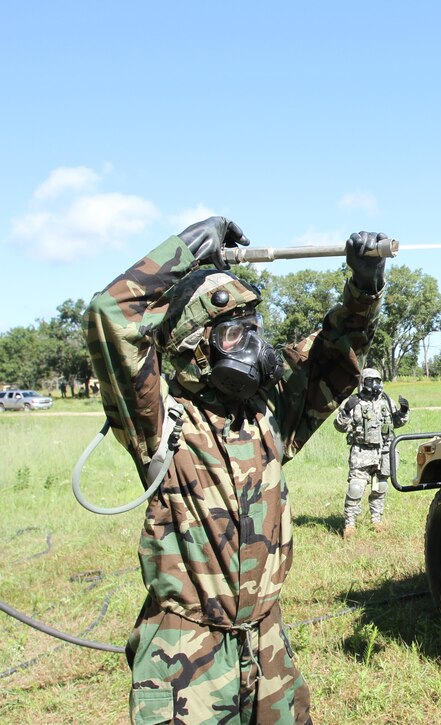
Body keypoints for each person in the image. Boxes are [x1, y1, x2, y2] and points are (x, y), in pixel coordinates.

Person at [84, 216, 388, 724]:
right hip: (187, 652)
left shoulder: (270, 411)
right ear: (193, 346)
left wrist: (365, 287)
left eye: (254, 330)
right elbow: (110, 313)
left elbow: (337, 348)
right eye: (232, 332)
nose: (252, 345)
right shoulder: (160, 420)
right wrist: (185, 250)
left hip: (267, 637)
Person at [333, 368, 409, 536]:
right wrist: (345, 412)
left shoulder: (387, 401)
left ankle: (376, 520)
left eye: (377, 381)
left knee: (381, 486)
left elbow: (396, 423)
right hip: (362, 452)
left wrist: (403, 412)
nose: (374, 384)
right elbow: (340, 426)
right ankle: (350, 524)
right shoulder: (354, 402)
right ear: (362, 383)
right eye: (370, 381)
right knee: (356, 488)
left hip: (383, 451)